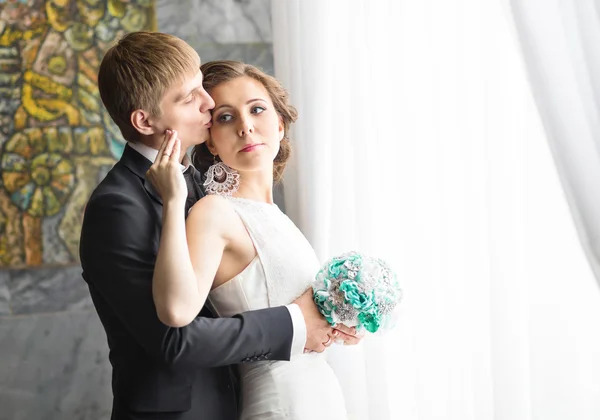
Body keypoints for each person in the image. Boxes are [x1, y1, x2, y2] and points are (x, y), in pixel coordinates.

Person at [79, 32, 356, 420]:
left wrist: (332, 317)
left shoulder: (205, 186)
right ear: (144, 120)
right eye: (190, 96)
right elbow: (173, 339)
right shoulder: (117, 206)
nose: (208, 102)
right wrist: (294, 323)